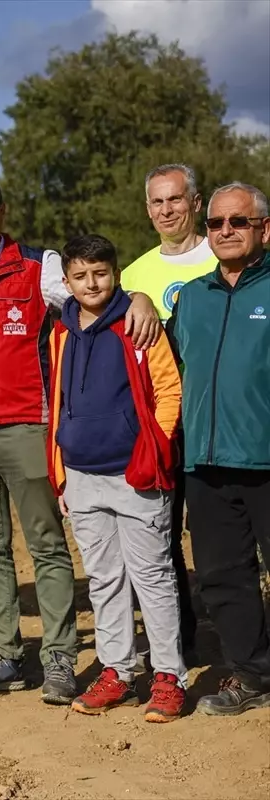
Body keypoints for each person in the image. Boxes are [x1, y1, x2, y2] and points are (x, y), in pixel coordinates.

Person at [0, 171, 162, 704]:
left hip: (27, 423)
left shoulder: (37, 266)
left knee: (47, 545)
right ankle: (5, 656)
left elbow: (92, 293)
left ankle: (58, 659)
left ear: (0, 210)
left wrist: (138, 297)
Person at [47, 234, 187, 723]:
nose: (91, 284)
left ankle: (169, 677)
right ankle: (118, 671)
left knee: (153, 577)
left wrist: (155, 448)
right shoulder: (60, 332)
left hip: (136, 473)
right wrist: (61, 471)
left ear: (116, 273)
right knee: (104, 579)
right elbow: (58, 400)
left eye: (100, 273)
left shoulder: (138, 322)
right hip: (81, 475)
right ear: (67, 281)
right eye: (80, 276)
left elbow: (169, 390)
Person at [167, 182, 270, 716]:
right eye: (215, 223)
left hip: (265, 459)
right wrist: (137, 299)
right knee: (223, 577)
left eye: (238, 221)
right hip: (204, 463)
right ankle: (253, 675)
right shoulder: (192, 297)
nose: (225, 230)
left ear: (264, 230)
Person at [119, 163, 212, 659]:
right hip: (163, 427)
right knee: (163, 538)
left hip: (219, 418)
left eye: (175, 199)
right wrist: (136, 296)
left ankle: (246, 640)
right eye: (157, 201)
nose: (166, 210)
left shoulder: (223, 252)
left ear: (196, 202)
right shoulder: (134, 275)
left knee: (224, 538)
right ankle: (182, 641)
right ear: (147, 209)